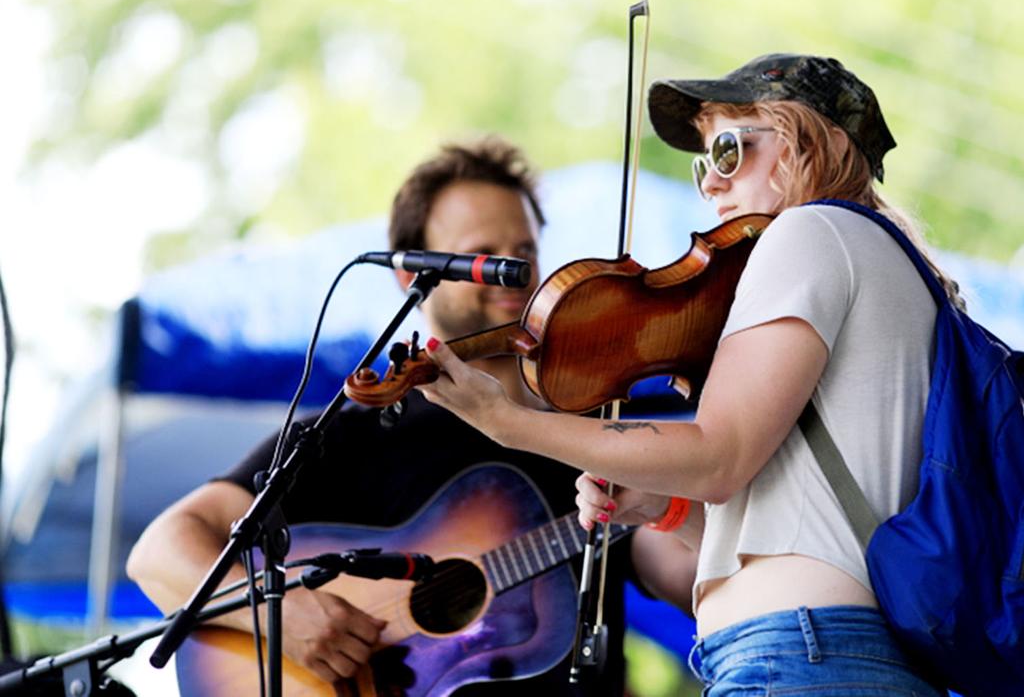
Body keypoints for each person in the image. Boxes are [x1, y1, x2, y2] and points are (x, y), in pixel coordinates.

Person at [413, 54, 957, 696]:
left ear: (811, 143)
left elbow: (719, 456)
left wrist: (509, 422)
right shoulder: (886, 261)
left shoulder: (811, 232)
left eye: (729, 151)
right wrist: (667, 509)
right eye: (706, 163)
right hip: (839, 652)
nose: (711, 185)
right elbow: (807, 521)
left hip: (801, 650)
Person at [126, 137, 653, 696]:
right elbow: (159, 553)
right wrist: (289, 617)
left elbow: (677, 569)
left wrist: (701, 486)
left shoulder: (597, 430)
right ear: (411, 277)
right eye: (485, 255)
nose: (515, 272)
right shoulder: (353, 432)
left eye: (524, 250)